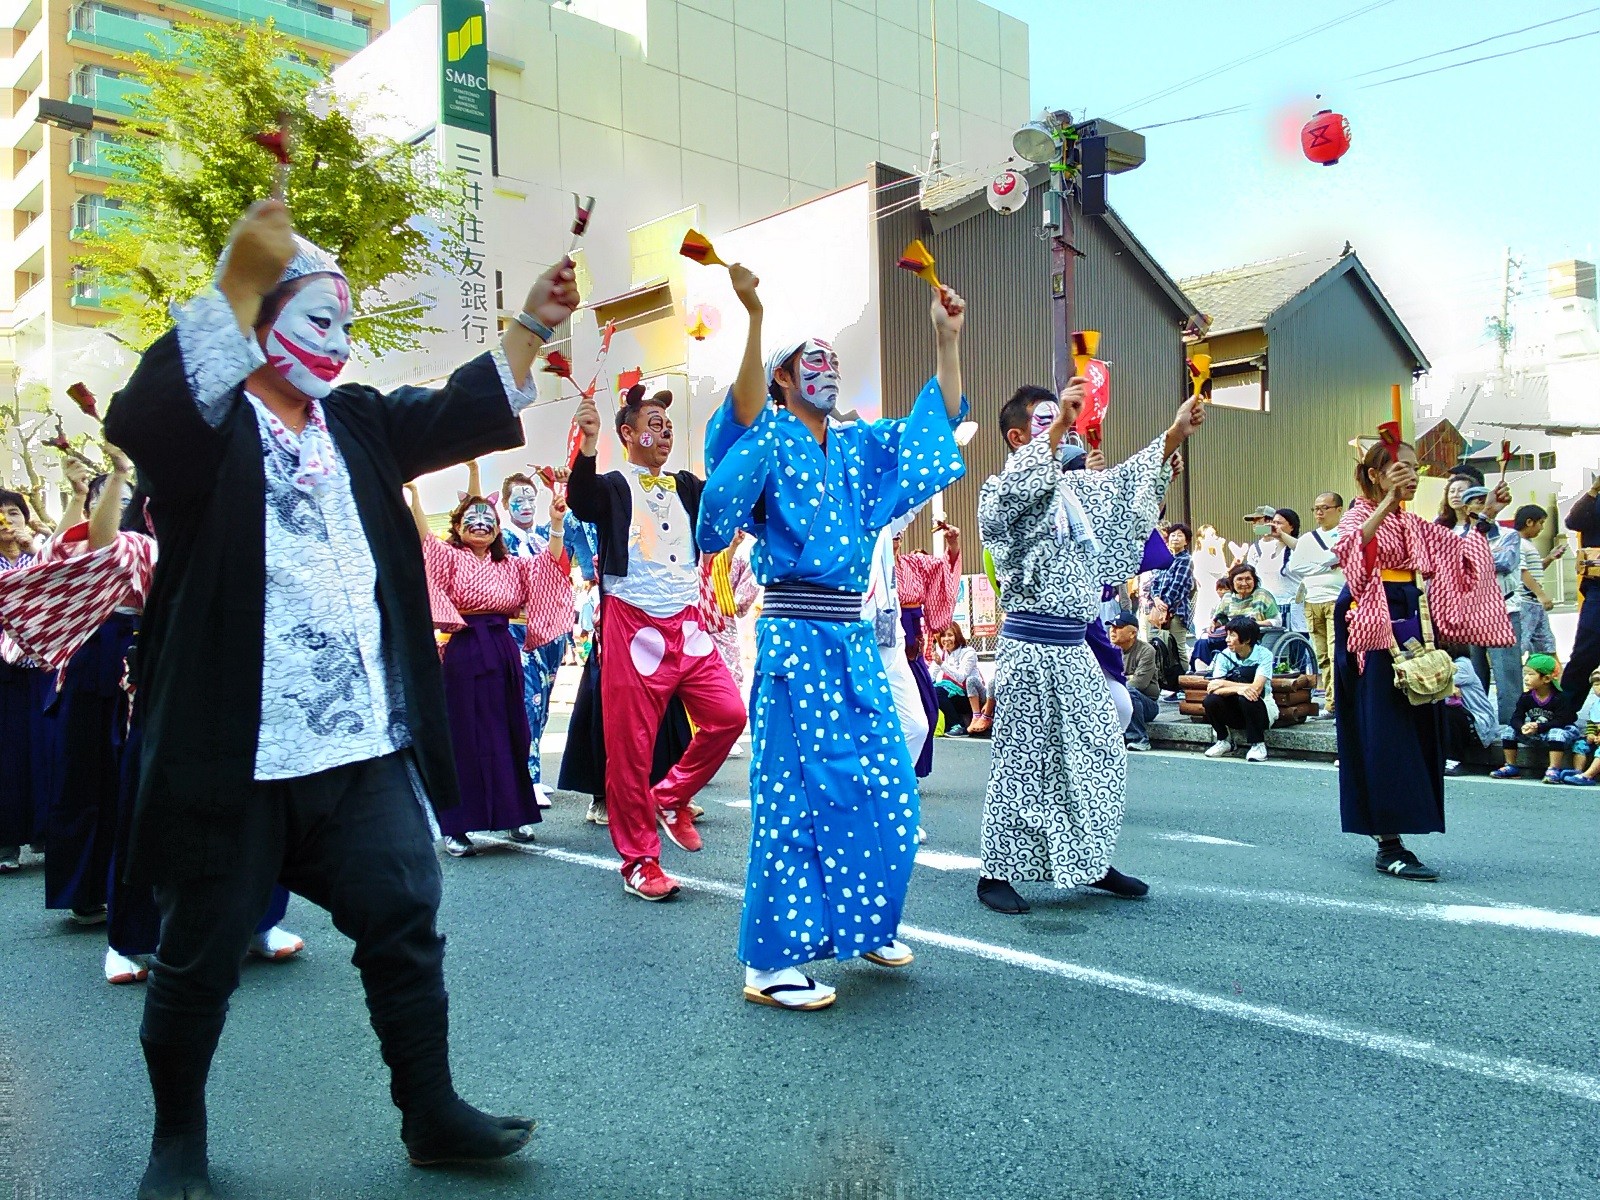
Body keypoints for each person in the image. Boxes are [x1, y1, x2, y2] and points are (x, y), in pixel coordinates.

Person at [101, 199, 578, 1197]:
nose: (338, 341)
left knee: (404, 916)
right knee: (199, 955)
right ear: (256, 321)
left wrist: (530, 325)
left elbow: (450, 409)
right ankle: (177, 1140)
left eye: (346, 324)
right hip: (238, 754)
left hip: (360, 745)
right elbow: (141, 417)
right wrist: (238, 275)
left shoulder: (355, 422)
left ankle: (431, 1113)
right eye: (317, 318)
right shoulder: (208, 431)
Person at [697, 263, 968, 1009]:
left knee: (887, 788)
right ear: (782, 378)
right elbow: (738, 425)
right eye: (811, 360)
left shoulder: (855, 445)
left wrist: (947, 342)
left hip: (851, 641)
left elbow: (932, 426)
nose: (827, 369)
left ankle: (864, 922)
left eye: (832, 360)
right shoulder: (765, 437)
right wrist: (755, 318)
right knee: (793, 800)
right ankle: (769, 963)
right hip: (794, 639)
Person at [974, 375, 1204, 917]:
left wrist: (1173, 434)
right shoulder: (999, 489)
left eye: (1064, 418)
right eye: (1046, 419)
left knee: (1099, 752)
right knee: (1024, 761)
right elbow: (1012, 500)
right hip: (1029, 646)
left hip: (1075, 648)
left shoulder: (1079, 493)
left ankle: (1090, 859)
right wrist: (1059, 427)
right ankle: (996, 871)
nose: (1063, 426)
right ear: (1016, 437)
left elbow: (1125, 486)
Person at [565, 383, 744, 900]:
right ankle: (640, 862)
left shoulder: (686, 486)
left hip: (686, 621)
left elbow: (727, 494)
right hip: (631, 623)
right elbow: (581, 498)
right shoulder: (611, 485)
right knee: (630, 751)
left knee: (729, 714)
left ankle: (671, 794)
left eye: (668, 427)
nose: (664, 434)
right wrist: (589, 443)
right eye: (653, 425)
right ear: (628, 433)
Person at [1334, 436, 1514, 883]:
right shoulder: (1359, 514)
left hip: (1413, 620)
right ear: (1374, 475)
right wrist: (1387, 502)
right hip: (1370, 623)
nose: (1412, 476)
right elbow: (1352, 552)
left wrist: (1486, 515)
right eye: (1401, 468)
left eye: (1415, 468)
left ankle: (1397, 830)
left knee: (1415, 725)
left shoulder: (1413, 523)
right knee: (1383, 730)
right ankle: (1388, 843)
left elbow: (1458, 553)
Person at [410, 464, 571, 857]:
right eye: (472, 518)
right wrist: (414, 498)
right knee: (464, 734)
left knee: (510, 730)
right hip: (464, 650)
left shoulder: (512, 564)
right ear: (457, 526)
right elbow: (425, 541)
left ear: (498, 529)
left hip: (502, 649)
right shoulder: (449, 557)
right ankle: (456, 827)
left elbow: (547, 566)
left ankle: (514, 814)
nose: (480, 524)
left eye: (488, 519)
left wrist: (555, 523)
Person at [499, 471, 579, 805]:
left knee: (543, 703)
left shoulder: (546, 534)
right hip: (518, 628)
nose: (526, 505)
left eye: (531, 498)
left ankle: (532, 771)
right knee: (528, 700)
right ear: (506, 504)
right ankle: (526, 778)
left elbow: (569, 535)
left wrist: (559, 488)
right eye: (519, 499)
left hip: (552, 630)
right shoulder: (502, 538)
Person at [1438, 472, 1522, 726]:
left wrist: (1471, 559)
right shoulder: (1449, 533)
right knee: (1472, 672)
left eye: (1483, 501)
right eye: (1475, 502)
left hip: (1503, 609)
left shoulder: (1507, 535)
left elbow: (1505, 563)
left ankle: (1510, 727)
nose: (1480, 507)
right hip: (1466, 612)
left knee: (1507, 673)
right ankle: (1476, 723)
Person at [0, 487, 48, 874]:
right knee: (8, 757)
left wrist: (35, 546)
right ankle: (7, 841)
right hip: (4, 674)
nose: (6, 521)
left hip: (45, 669)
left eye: (13, 512)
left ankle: (47, 833)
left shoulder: (43, 553)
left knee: (47, 750)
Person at [893, 523, 961, 775]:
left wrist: (952, 543)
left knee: (927, 709)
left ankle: (908, 770)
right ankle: (895, 773)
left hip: (913, 643)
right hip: (884, 639)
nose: (897, 533)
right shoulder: (871, 567)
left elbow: (943, 568)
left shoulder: (913, 563)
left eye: (899, 529)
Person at [1287, 492, 1345, 718]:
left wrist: (1317, 563)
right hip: (1312, 600)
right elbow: (1294, 567)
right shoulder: (1307, 539)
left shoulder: (1345, 534)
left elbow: (1340, 558)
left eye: (1324, 508)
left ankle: (1337, 701)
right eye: (1316, 508)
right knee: (1322, 655)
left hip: (1337, 599)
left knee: (1336, 651)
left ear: (1338, 509)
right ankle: (1331, 701)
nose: (1319, 513)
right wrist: (1325, 564)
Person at [1491, 655, 1577, 783]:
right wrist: (1522, 727)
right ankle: (1511, 766)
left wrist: (1538, 727)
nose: (1526, 678)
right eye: (1525, 674)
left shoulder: (1560, 698)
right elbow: (1516, 717)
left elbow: (1561, 721)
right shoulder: (1526, 697)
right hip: (1537, 731)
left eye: (1531, 674)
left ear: (1546, 678)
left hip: (1560, 732)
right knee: (1509, 731)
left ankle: (1554, 769)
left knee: (1556, 733)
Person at [1202, 615, 1277, 762]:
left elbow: (1256, 688)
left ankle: (1258, 744)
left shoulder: (1264, 655)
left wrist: (1225, 684)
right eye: (1227, 635)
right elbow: (1213, 687)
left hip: (1260, 710)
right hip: (1234, 711)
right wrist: (1238, 689)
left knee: (1248, 697)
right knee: (1211, 700)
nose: (1227, 639)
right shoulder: (1224, 655)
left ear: (1247, 639)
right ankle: (1224, 740)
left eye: (1232, 635)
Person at [1560, 472, 1600, 721]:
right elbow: (1573, 521)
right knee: (1586, 649)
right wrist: (1593, 490)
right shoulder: (1594, 502)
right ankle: (1563, 711)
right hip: (1598, 588)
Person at [1192, 564, 1280, 670]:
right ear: (1232, 582)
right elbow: (1222, 618)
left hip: (1252, 637)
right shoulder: (1227, 597)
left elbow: (1277, 621)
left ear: (1254, 580)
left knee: (1235, 641)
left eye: (1248, 579)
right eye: (1239, 579)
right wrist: (1215, 623)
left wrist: (1254, 624)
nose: (1244, 583)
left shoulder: (1262, 595)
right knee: (1203, 641)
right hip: (1229, 636)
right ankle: (1203, 670)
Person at [1512, 504, 1564, 666]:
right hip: (1525, 602)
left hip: (1535, 604)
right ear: (1529, 522)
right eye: (1540, 523)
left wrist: (1550, 558)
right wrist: (1541, 595)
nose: (1542, 528)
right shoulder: (1517, 543)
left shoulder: (1527, 544)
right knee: (1520, 645)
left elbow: (1533, 569)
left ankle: (1552, 677)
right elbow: (1522, 571)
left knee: (1546, 645)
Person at [1243, 506, 1305, 631]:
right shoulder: (1264, 548)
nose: (1275, 526)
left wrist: (1281, 534)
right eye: (1274, 523)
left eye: (1279, 523)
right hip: (1268, 608)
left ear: (1291, 526)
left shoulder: (1299, 547)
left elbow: (1303, 550)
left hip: (1292, 608)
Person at [1106, 613, 1160, 752]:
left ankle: (1140, 739)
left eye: (1118, 627)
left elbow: (1139, 683)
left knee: (1128, 692)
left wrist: (1119, 681)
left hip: (1147, 704)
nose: (1113, 630)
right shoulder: (1108, 650)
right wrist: (1128, 677)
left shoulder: (1146, 650)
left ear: (1132, 633)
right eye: (1112, 627)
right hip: (1115, 700)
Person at [1441, 656, 1499, 776]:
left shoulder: (1462, 665)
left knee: (1449, 712)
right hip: (1460, 720)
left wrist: (1447, 688)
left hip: (1477, 721)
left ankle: (1454, 760)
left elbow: (1434, 683)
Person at [1144, 523, 1194, 658]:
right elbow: (1154, 582)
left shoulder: (1186, 560)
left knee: (1177, 649)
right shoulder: (1165, 559)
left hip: (1177, 610)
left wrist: (1164, 606)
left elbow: (1177, 585)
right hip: (1157, 607)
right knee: (1154, 647)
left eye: (1179, 535)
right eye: (1173, 535)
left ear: (1186, 541)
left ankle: (1182, 673)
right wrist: (1156, 599)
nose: (1175, 538)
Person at [932, 623, 986, 737]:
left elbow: (961, 677)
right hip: (954, 695)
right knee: (931, 689)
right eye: (943, 636)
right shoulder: (942, 654)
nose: (946, 639)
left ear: (957, 636)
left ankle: (957, 725)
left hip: (971, 697)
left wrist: (941, 664)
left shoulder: (969, 652)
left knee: (938, 691)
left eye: (950, 635)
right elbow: (931, 675)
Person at [1559, 668, 1600, 785]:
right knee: (1580, 744)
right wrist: (1590, 733)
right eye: (1596, 684)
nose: (1599, 687)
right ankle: (1578, 770)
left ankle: (1588, 775)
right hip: (1597, 737)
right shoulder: (1596, 705)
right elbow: (1593, 722)